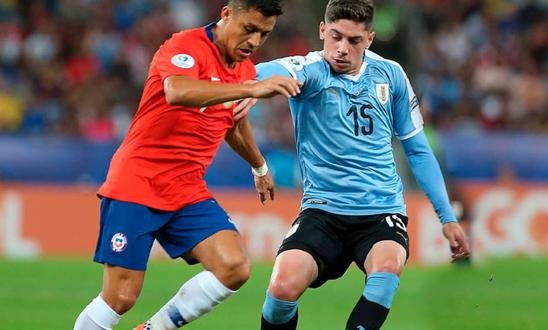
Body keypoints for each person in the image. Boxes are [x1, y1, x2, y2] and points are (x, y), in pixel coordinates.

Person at [73, 1, 302, 329]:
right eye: (248, 29)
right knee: (121, 297)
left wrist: (259, 166)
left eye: (264, 34)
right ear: (226, 15)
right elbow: (177, 90)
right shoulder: (186, 45)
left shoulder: (244, 69)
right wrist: (250, 87)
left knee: (234, 266)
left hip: (186, 189)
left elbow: (234, 124)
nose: (254, 41)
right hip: (139, 181)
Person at [243, 0, 471, 329]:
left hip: (380, 211)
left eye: (353, 41)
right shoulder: (308, 71)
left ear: (369, 39)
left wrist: (447, 217)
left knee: (387, 268)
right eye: (335, 37)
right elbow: (260, 73)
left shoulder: (391, 75)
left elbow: (417, 150)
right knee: (281, 289)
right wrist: (248, 87)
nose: (341, 49)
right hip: (323, 211)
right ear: (322, 30)